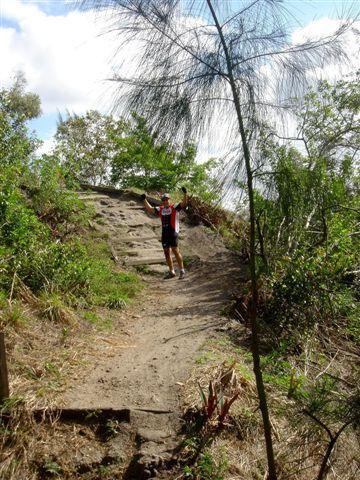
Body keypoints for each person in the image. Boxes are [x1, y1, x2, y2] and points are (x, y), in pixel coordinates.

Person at [141, 187, 188, 279]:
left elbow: (184, 204)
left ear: (169, 200)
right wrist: (144, 199)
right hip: (165, 233)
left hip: (173, 232)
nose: (165, 201)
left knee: (175, 250)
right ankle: (172, 272)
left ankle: (182, 270)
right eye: (164, 200)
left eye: (167, 200)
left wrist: (185, 193)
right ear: (162, 201)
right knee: (166, 252)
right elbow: (150, 209)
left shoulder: (174, 207)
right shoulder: (160, 209)